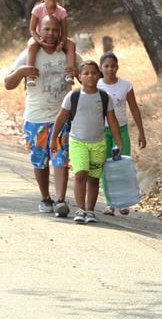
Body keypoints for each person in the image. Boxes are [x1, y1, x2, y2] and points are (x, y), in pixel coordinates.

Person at [4, 16, 76, 217]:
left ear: (60, 31)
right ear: (38, 29)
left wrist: (78, 72)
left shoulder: (67, 53)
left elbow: (87, 74)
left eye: (55, 29)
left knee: (61, 159)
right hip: (35, 118)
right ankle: (46, 198)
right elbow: (8, 83)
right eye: (47, 29)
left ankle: (61, 200)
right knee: (40, 162)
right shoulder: (29, 54)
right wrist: (21, 72)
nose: (51, 33)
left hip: (61, 117)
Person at [52, 60, 123, 225]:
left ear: (99, 75)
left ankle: (90, 211)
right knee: (80, 174)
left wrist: (119, 142)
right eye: (86, 73)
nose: (90, 76)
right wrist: (54, 138)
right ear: (79, 77)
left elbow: (112, 121)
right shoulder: (73, 96)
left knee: (93, 178)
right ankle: (80, 209)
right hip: (77, 142)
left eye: (93, 73)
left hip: (98, 144)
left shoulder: (105, 97)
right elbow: (61, 117)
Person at [97, 52, 147, 215]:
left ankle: (123, 202)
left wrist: (141, 132)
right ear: (101, 68)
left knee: (122, 164)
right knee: (106, 166)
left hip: (122, 130)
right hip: (102, 131)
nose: (110, 69)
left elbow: (134, 109)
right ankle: (110, 203)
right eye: (106, 66)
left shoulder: (125, 85)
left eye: (113, 66)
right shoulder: (96, 85)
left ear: (117, 67)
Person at [26, 0, 77, 87]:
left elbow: (64, 31)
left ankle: (70, 73)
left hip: (56, 38)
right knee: (31, 45)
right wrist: (38, 40)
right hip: (40, 37)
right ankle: (30, 75)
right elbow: (32, 29)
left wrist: (62, 43)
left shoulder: (62, 12)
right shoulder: (38, 9)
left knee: (71, 44)